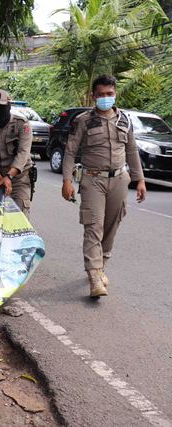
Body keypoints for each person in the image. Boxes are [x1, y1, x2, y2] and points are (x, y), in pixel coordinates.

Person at [61, 75, 146, 298]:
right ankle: (94, 276)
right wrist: (67, 180)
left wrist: (140, 180)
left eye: (109, 94)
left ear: (115, 93)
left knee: (111, 225)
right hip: (92, 179)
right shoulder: (83, 121)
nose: (105, 98)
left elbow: (132, 151)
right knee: (93, 226)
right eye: (101, 95)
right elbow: (70, 151)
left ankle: (101, 265)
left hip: (119, 179)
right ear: (94, 96)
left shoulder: (124, 120)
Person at [0, 89, 33, 216]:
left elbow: (23, 153)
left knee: (19, 219)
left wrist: (9, 177)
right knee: (0, 218)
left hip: (19, 178)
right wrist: (1, 179)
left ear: (8, 106)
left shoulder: (22, 125)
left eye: (1, 106)